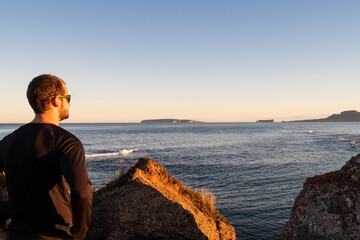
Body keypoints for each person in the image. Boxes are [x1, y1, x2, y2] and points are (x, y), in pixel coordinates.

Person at [0, 74, 93, 239]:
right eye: (68, 98)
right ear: (56, 100)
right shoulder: (67, 141)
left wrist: (3, 218)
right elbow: (82, 192)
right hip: (54, 233)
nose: (69, 103)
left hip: (16, 234)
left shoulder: (8, 141)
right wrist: (79, 232)